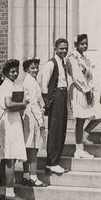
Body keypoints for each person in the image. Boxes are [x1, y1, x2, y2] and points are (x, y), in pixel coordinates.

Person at [0, 60, 27, 200]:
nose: (15, 73)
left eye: (16, 71)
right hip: (9, 122)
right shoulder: (7, 86)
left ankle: (2, 191)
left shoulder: (9, 85)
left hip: (10, 121)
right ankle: (10, 192)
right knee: (10, 158)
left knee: (5, 158)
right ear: (6, 73)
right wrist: (23, 104)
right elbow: (8, 104)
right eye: (12, 71)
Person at [66, 34, 101, 157]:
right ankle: (79, 149)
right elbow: (77, 77)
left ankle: (85, 133)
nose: (84, 46)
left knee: (100, 115)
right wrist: (85, 89)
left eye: (86, 44)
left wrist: (90, 89)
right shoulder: (73, 58)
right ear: (76, 44)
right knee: (80, 119)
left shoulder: (84, 58)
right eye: (82, 44)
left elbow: (89, 75)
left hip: (87, 89)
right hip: (80, 90)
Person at [39, 38, 70, 174]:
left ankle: (55, 160)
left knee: (62, 129)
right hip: (55, 97)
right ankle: (51, 162)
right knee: (55, 129)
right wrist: (48, 103)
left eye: (65, 48)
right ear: (55, 49)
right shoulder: (51, 64)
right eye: (61, 48)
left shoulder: (63, 63)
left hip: (63, 95)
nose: (64, 51)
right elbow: (44, 85)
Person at [20, 59, 46, 188]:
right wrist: (40, 121)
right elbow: (34, 103)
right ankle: (33, 177)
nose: (35, 70)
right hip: (32, 115)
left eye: (36, 68)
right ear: (26, 69)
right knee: (33, 147)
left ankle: (26, 175)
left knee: (28, 146)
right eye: (32, 68)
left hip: (29, 114)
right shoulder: (30, 82)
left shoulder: (30, 80)